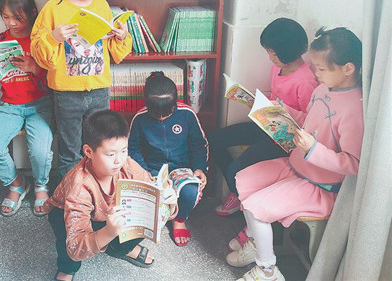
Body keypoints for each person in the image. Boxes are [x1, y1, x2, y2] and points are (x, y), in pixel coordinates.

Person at [226, 27, 364, 281]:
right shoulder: (322, 90)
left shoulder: (355, 109)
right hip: (296, 165)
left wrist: (313, 149)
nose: (316, 73)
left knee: (256, 209)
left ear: (348, 68)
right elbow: (307, 120)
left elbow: (355, 164)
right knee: (243, 179)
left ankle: (267, 269)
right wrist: (282, 111)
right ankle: (257, 243)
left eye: (321, 69)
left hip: (318, 185)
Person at [30, 0, 132, 176]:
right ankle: (72, 195)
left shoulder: (102, 5)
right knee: (70, 153)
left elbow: (115, 53)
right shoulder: (53, 8)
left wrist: (121, 36)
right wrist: (54, 37)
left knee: (102, 149)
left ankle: (97, 191)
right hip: (67, 94)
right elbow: (39, 53)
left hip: (99, 90)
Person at [44, 110, 178, 281]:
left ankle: (119, 249)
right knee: (67, 244)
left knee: (143, 215)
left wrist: (169, 203)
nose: (118, 160)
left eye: (124, 150)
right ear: (89, 151)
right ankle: (67, 268)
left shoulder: (127, 164)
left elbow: (151, 188)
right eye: (111, 154)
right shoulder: (79, 185)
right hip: (66, 212)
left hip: (108, 214)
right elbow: (75, 247)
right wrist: (108, 232)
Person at [208, 18, 317, 227]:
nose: (269, 57)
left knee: (235, 170)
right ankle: (239, 192)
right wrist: (259, 104)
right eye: (268, 52)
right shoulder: (278, 68)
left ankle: (241, 199)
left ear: (287, 51)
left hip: (285, 140)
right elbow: (276, 97)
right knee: (212, 140)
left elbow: (310, 121)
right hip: (267, 126)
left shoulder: (306, 81)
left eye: (272, 53)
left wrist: (283, 109)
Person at [0, 0, 54, 217]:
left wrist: (35, 68)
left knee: (40, 152)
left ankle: (40, 185)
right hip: (10, 107)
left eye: (17, 17)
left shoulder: (41, 40)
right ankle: (17, 183)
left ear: (32, 12)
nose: (11, 23)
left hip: (40, 105)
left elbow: (55, 83)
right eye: (6, 17)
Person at [128, 71, 209, 246]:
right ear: (147, 105)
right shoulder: (140, 119)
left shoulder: (187, 114)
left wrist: (200, 168)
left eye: (167, 113)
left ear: (174, 104)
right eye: (156, 114)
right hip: (153, 169)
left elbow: (199, 145)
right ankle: (160, 214)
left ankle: (179, 219)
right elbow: (133, 149)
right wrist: (144, 172)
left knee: (191, 190)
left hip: (182, 168)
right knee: (149, 196)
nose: (161, 118)